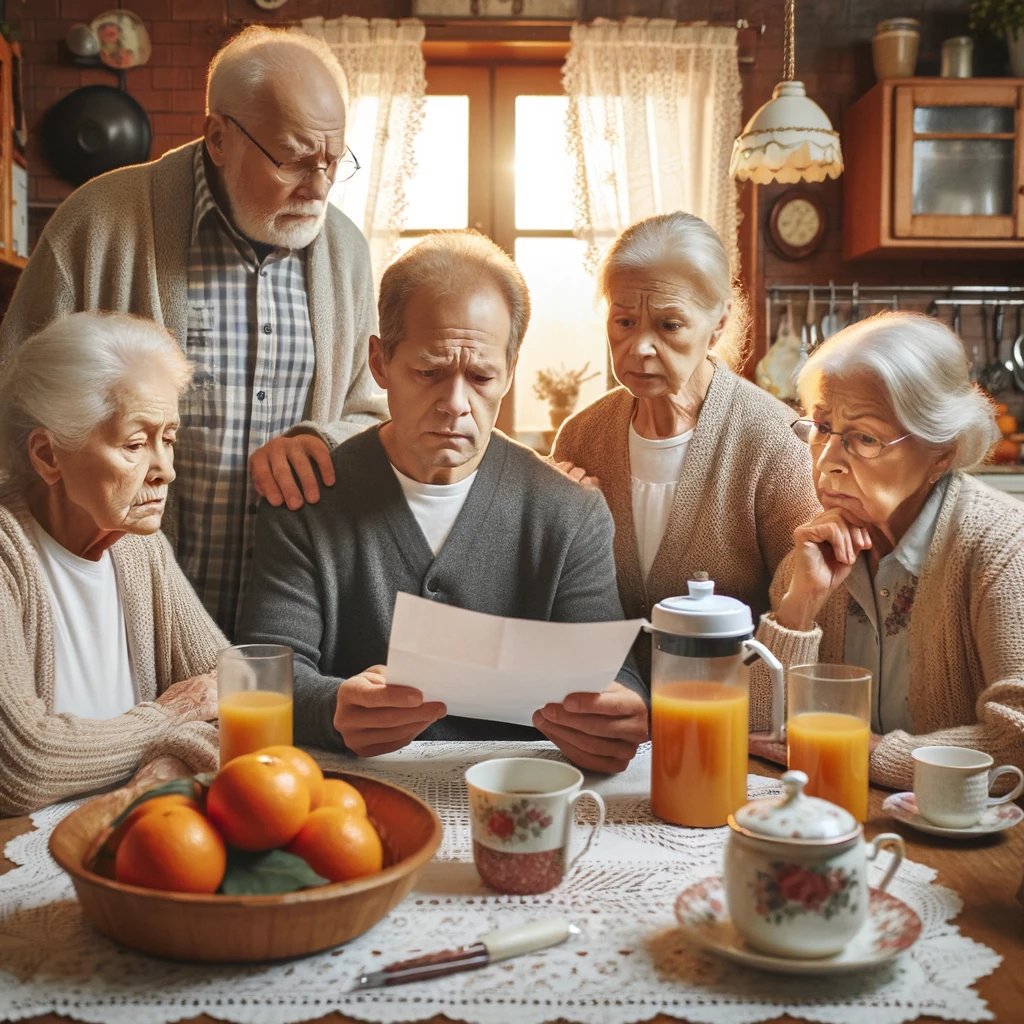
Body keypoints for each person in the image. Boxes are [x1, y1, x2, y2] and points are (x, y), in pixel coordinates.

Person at [0, 26, 386, 635]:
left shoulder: (346, 252)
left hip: (286, 625)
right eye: (293, 159)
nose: (318, 188)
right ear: (219, 138)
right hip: (112, 615)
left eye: (333, 161)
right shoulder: (98, 223)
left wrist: (324, 438)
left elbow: (372, 410)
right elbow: (14, 412)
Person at [239, 231, 648, 774]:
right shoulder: (308, 496)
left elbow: (615, 675)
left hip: (521, 793)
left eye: (481, 377)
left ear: (510, 369)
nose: (456, 405)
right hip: (348, 800)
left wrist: (618, 712)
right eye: (429, 372)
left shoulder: (569, 514)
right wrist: (331, 709)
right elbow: (267, 670)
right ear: (380, 362)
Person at [749, 311, 1024, 791]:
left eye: (864, 438)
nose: (829, 462)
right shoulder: (812, 552)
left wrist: (867, 754)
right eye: (821, 427)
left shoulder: (1002, 548)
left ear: (942, 450)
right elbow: (759, 727)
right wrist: (800, 605)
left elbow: (1017, 740)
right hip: (839, 815)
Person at [553, 212, 819, 681]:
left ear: (718, 324)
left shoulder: (774, 441)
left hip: (727, 718)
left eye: (669, 325)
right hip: (601, 716)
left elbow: (804, 613)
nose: (639, 347)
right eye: (625, 321)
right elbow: (562, 599)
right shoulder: (581, 436)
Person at [0, 312, 227, 815]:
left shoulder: (137, 545)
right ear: (48, 455)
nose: (164, 470)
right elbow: (20, 765)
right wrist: (168, 718)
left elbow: (236, 692)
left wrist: (166, 767)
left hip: (142, 829)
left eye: (168, 438)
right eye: (134, 443)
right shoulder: (6, 553)